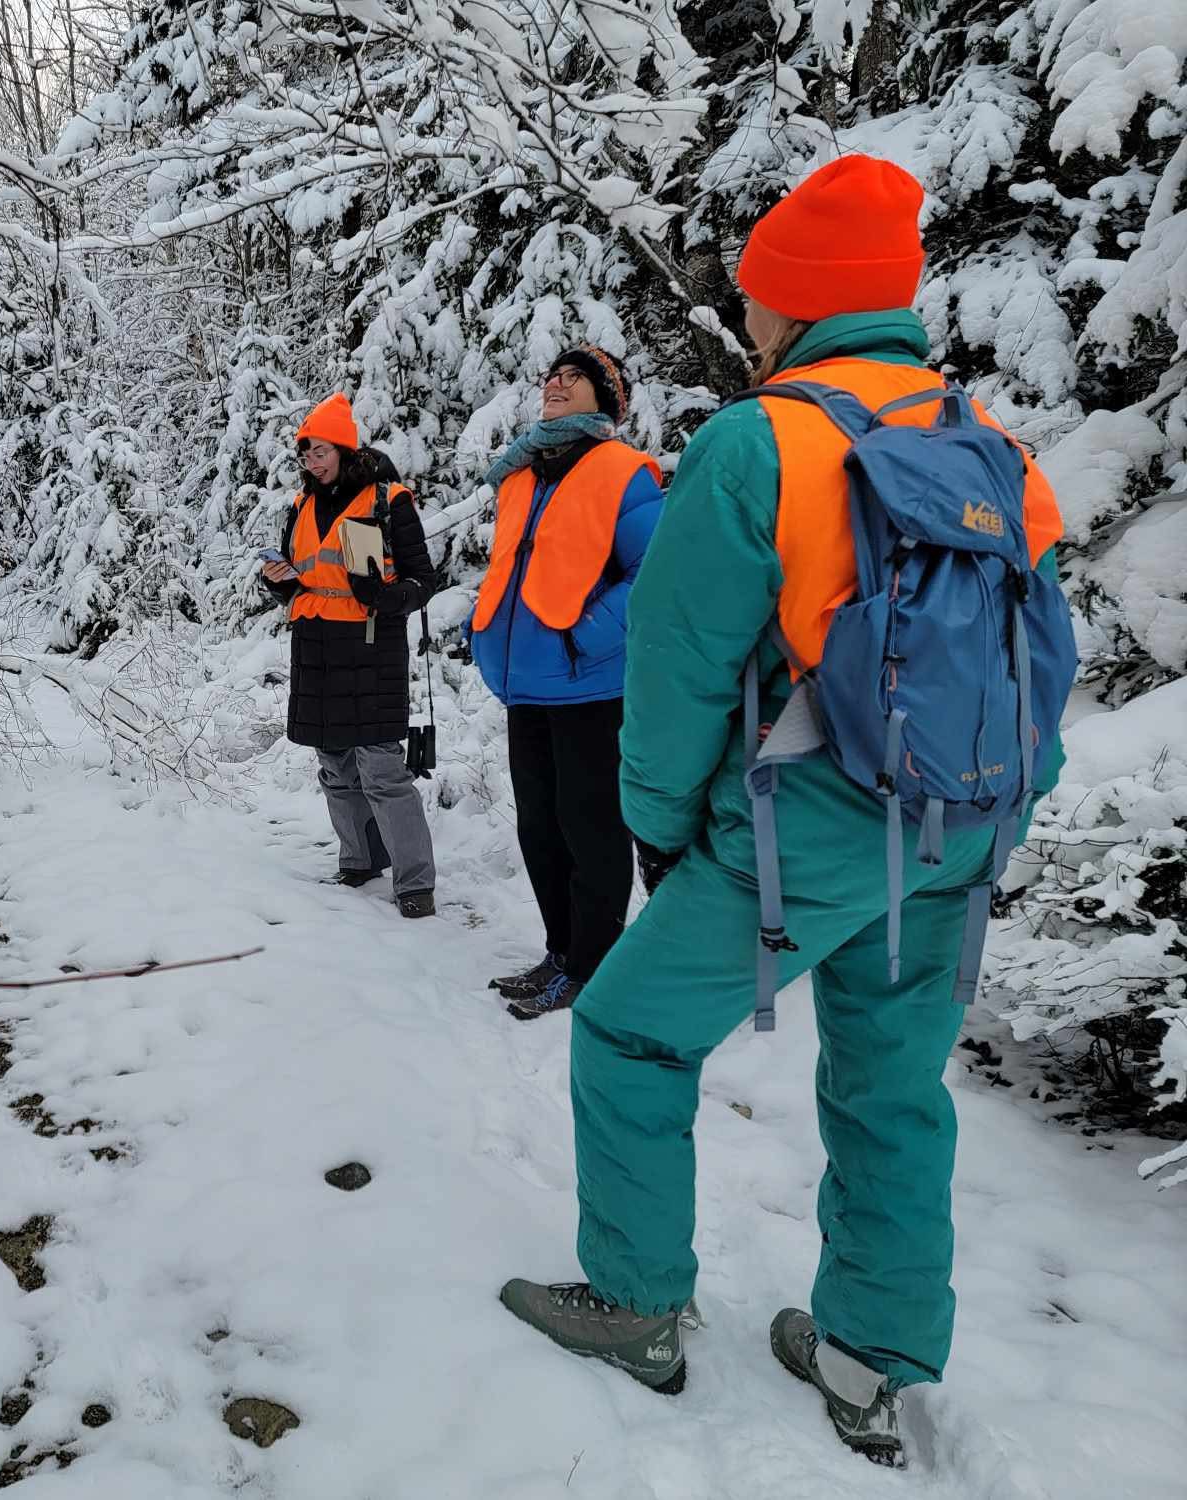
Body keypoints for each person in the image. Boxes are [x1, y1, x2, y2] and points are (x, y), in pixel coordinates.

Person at [495, 156, 1070, 1467]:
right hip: (961, 822)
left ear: (795, 306)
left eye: (756, 299)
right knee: (891, 1085)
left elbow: (682, 666)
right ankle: (871, 1356)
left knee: (632, 1035)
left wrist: (659, 827)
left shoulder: (760, 441)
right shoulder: (990, 445)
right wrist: (1003, 818)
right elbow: (1047, 657)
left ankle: (637, 1304)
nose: (746, 319)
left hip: (810, 820)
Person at [463, 347, 662, 1019]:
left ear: (604, 398)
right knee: (540, 829)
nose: (555, 381)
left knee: (593, 830)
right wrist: (483, 630)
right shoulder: (522, 475)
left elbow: (652, 576)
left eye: (574, 376)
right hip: (527, 685)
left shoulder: (623, 472)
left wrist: (584, 636)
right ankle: (560, 952)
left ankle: (593, 967)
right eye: (552, 373)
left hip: (590, 687)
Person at [261, 393, 440, 918]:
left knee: (382, 769)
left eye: (319, 452)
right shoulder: (300, 506)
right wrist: (277, 583)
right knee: (335, 765)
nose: (312, 463)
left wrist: (385, 597)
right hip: (315, 647)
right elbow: (300, 572)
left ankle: (415, 884)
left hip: (372, 647)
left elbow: (422, 581)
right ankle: (359, 861)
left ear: (342, 448)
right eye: (305, 455)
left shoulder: (390, 500)